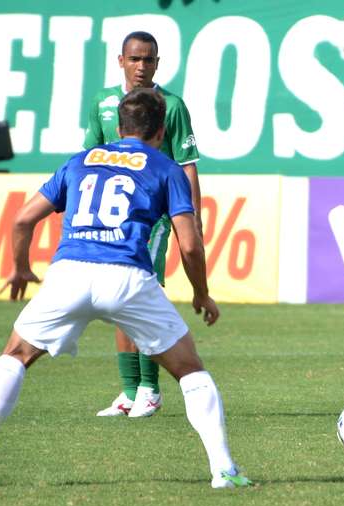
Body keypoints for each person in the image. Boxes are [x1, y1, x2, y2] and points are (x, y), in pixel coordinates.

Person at [0, 89, 250, 489]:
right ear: (161, 130)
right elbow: (189, 243)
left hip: (70, 273)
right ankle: (224, 471)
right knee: (189, 369)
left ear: (119, 126)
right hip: (127, 278)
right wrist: (201, 293)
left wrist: (22, 268)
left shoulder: (81, 161)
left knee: (15, 355)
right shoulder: (166, 168)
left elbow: (24, 219)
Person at [84, 31, 203, 418]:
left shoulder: (172, 106)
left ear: (157, 63)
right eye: (135, 59)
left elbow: (187, 166)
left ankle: (150, 389)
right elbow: (91, 157)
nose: (142, 66)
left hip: (154, 218)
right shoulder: (103, 103)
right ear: (121, 60)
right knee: (120, 300)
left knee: (140, 292)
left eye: (149, 59)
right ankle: (129, 391)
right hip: (113, 218)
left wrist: (192, 219)